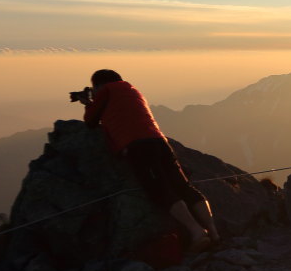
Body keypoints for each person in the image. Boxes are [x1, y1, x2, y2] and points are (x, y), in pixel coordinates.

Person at [79, 69, 219, 253]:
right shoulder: (132, 90)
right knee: (182, 185)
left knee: (159, 188)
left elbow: (90, 121)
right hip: (159, 142)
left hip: (137, 145)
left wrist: (88, 102)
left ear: (99, 84)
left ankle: (197, 232)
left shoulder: (106, 91)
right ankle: (215, 233)